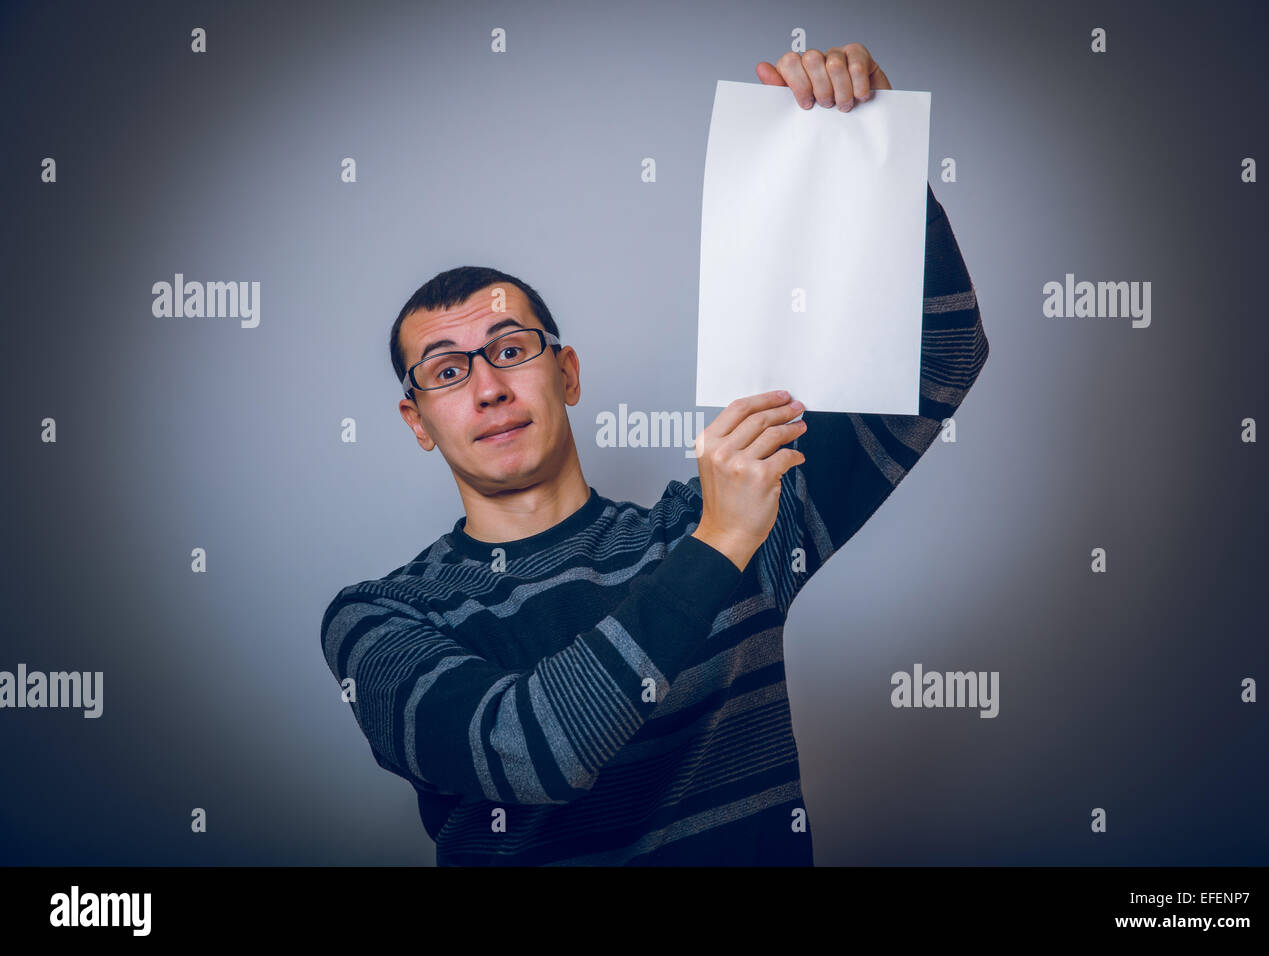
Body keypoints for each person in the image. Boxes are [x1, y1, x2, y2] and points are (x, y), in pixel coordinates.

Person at [319, 42, 990, 865]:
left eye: (511, 349)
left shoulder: (727, 511)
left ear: (566, 373)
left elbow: (943, 356)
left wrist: (874, 159)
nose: (488, 388)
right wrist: (721, 543)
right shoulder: (381, 617)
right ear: (417, 419)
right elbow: (528, 752)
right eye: (447, 371)